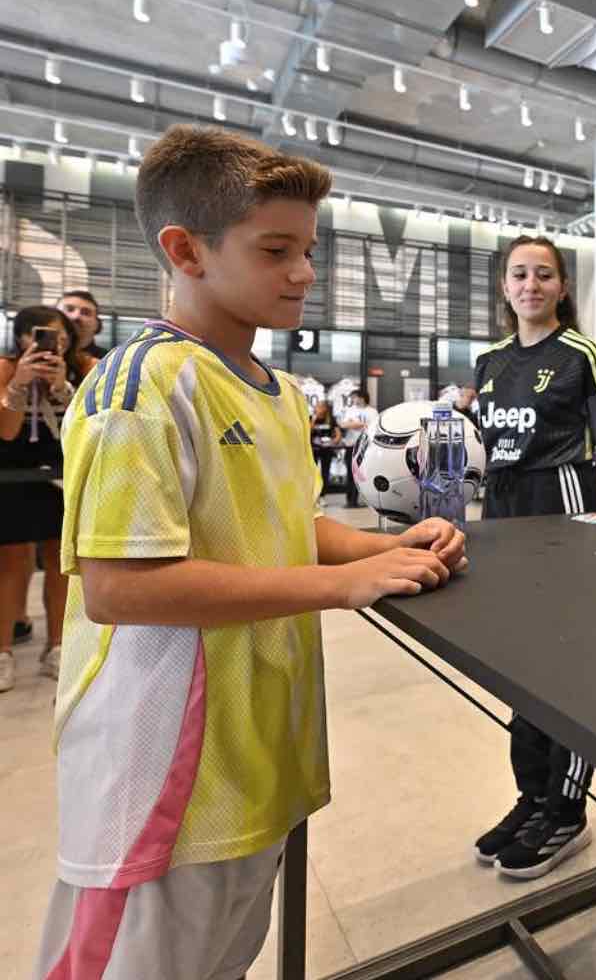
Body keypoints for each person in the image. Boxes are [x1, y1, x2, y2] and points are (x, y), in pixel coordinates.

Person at [32, 125, 465, 980]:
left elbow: (288, 525)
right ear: (185, 250)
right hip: (160, 777)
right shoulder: (140, 387)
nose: (304, 273)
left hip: (256, 755)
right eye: (276, 250)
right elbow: (120, 588)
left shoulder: (278, 392)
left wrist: (380, 547)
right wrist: (340, 586)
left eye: (308, 250)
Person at [471, 234, 596, 880]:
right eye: (519, 274)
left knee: (564, 667)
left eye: (543, 274)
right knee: (520, 668)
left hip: (561, 509)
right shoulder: (488, 363)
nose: (530, 285)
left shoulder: (584, 355)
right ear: (504, 287)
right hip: (501, 513)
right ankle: (531, 796)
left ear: (563, 287)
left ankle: (566, 810)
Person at [0, 307, 91, 690]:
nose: (55, 345)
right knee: (11, 561)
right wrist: (19, 384)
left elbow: (88, 426)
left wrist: (62, 388)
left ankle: (57, 646)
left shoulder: (84, 368)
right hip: (12, 473)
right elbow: (6, 432)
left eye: (62, 337)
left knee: (61, 561)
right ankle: (3, 652)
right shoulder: (6, 368)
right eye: (41, 336)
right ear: (22, 338)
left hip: (61, 474)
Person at [339, 388, 378, 507]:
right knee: (351, 474)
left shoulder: (372, 411)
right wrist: (360, 424)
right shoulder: (350, 410)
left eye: (355, 397)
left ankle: (362, 499)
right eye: (352, 398)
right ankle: (350, 500)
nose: (353, 400)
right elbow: (344, 424)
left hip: (365, 447)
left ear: (362, 397)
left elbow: (374, 427)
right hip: (351, 445)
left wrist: (355, 424)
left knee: (363, 474)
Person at [56, 289, 109, 360]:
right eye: (69, 309)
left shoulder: (109, 361)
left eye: (86, 313)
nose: (76, 316)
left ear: (96, 325)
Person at [309, 399, 343, 494]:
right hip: (314, 449)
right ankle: (313, 492)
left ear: (326, 408)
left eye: (321, 406)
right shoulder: (311, 417)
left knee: (325, 471)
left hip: (326, 448)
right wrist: (314, 419)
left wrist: (333, 441)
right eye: (317, 406)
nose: (319, 408)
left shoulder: (331, 419)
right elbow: (308, 431)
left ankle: (323, 492)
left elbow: (338, 434)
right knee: (313, 472)